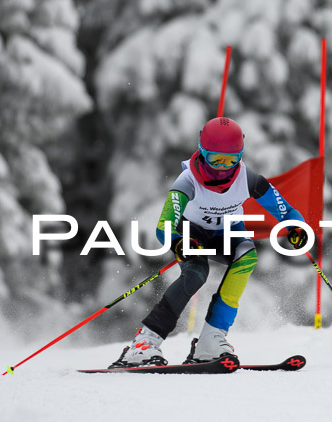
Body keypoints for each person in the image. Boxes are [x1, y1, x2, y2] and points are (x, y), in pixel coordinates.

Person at [109, 117, 309, 368]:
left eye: (231, 160)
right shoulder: (188, 180)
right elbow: (165, 225)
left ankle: (211, 340)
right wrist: (178, 242)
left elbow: (285, 210)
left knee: (246, 256)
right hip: (191, 232)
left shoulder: (247, 179)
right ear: (203, 153)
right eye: (216, 159)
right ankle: (144, 343)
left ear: (240, 155)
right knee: (196, 273)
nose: (224, 167)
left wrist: (296, 227)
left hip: (227, 232)